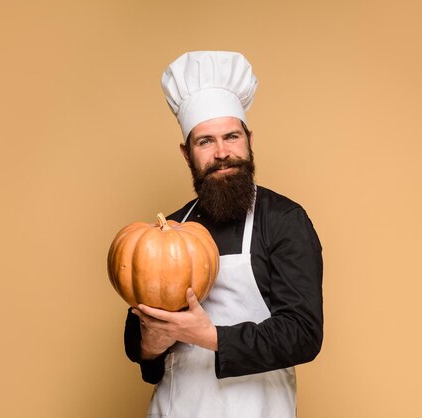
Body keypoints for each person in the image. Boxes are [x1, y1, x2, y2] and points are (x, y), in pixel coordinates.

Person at [124, 51, 323, 418]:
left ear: (249, 139)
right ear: (187, 153)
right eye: (205, 142)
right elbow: (144, 358)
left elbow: (303, 334)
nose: (222, 153)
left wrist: (209, 335)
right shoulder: (168, 229)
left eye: (231, 137)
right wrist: (153, 341)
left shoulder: (282, 220)